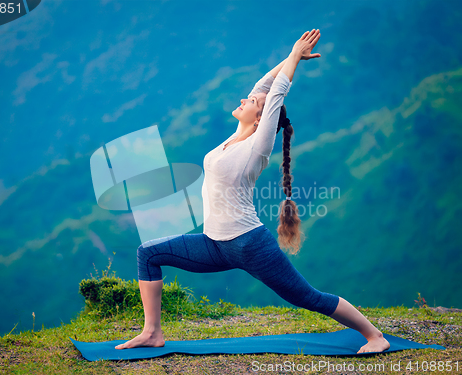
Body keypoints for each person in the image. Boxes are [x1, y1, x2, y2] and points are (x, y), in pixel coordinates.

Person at [115, 29, 390, 354]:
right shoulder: (235, 137)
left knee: (308, 297)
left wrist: (293, 57)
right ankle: (152, 332)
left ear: (261, 118)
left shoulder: (257, 147)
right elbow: (264, 86)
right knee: (148, 253)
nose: (245, 98)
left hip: (249, 245)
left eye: (252, 102)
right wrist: (291, 60)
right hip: (214, 244)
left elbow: (274, 95)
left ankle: (375, 337)